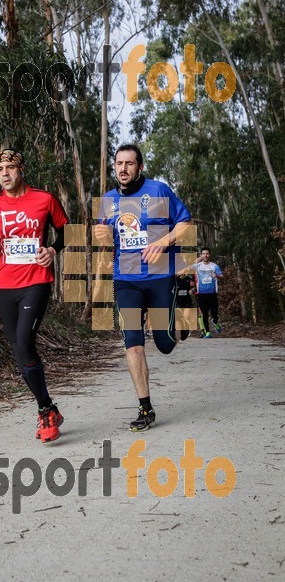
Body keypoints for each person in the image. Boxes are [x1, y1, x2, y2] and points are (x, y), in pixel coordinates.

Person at [0, 149, 69, 443]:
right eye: (0, 170)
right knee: (20, 353)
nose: (5, 174)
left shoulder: (44, 199)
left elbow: (67, 231)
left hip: (36, 281)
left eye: (11, 167)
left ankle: (44, 413)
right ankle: (49, 407)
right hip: (5, 286)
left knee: (25, 342)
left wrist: (51, 250)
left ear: (21, 170)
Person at [95, 144, 192, 431]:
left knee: (164, 344)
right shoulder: (109, 200)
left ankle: (179, 317)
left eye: (129, 163)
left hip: (161, 277)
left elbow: (185, 222)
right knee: (133, 343)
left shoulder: (159, 190)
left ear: (140, 167)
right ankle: (145, 407)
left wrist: (163, 242)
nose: (123, 169)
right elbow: (108, 237)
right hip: (127, 281)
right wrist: (101, 234)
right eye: (119, 164)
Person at [191, 248, 224, 338]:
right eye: (203, 254)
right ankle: (208, 332)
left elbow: (222, 276)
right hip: (201, 294)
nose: (205, 255)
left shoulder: (214, 266)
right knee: (204, 313)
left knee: (214, 313)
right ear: (201, 255)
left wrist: (216, 275)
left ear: (210, 255)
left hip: (212, 293)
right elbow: (188, 266)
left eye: (207, 254)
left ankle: (215, 322)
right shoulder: (197, 266)